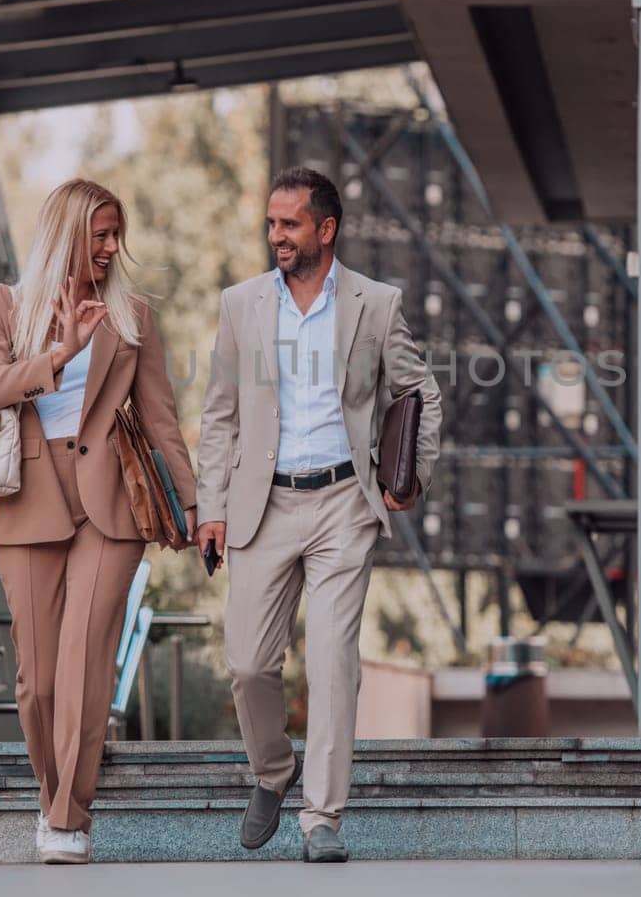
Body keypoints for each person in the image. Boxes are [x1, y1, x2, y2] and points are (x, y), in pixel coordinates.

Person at [196, 166, 441, 864]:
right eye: (272, 223)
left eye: (290, 223)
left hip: (344, 504)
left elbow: (421, 391)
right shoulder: (241, 305)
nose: (276, 234)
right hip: (261, 504)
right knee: (247, 663)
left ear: (325, 230)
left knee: (333, 662)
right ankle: (274, 772)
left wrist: (411, 473)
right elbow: (219, 417)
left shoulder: (377, 303)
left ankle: (322, 817)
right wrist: (210, 506)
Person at [0, 177, 196, 865]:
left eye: (114, 234)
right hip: (30, 496)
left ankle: (69, 816)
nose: (111, 246)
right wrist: (61, 351)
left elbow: (159, 417)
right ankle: (51, 795)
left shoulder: (134, 315)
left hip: (111, 501)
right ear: (67, 233)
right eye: (99, 233)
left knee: (86, 658)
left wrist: (192, 504)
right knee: (37, 677)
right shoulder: (0, 304)